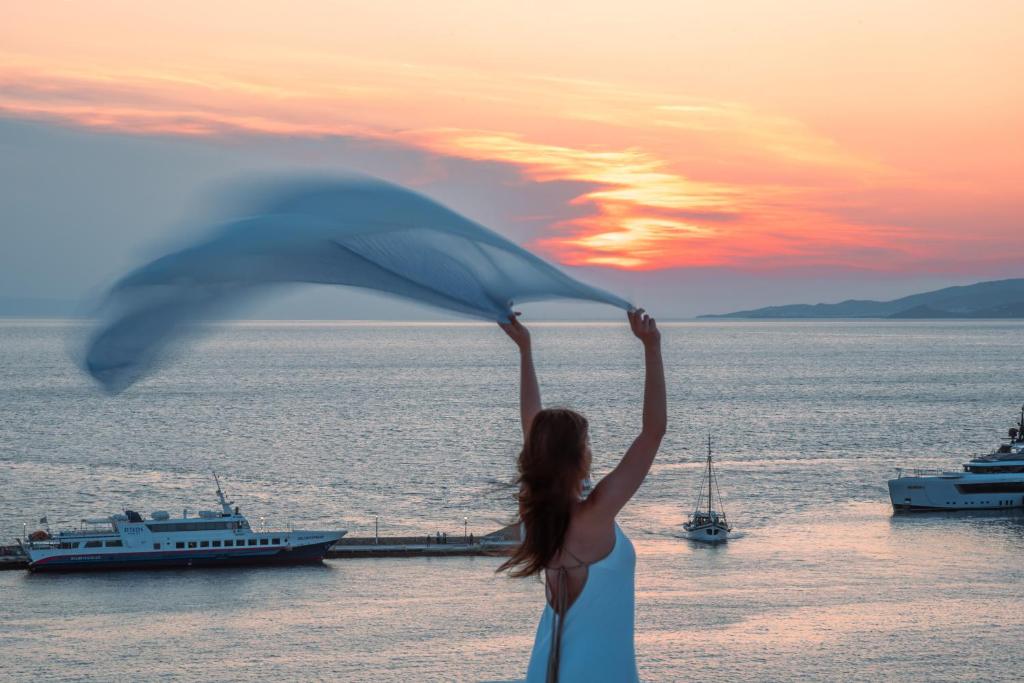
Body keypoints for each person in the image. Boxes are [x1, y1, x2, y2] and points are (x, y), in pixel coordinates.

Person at [497, 309, 666, 683]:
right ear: (578, 458)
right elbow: (653, 432)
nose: (592, 449)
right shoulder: (596, 514)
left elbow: (532, 427)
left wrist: (525, 350)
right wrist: (651, 347)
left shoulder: (536, 514)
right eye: (587, 442)